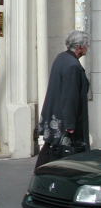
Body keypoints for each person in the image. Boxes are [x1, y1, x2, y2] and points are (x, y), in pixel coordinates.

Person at [35, 29, 90, 169]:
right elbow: (70, 97)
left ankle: (41, 172)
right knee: (66, 155)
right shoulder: (73, 66)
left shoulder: (61, 58)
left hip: (55, 114)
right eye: (86, 45)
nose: (88, 48)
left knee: (51, 148)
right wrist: (70, 125)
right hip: (64, 119)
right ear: (79, 47)